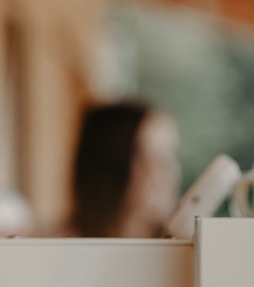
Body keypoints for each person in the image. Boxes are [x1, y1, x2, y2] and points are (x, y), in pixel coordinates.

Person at [70, 101, 181, 238]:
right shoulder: (56, 248)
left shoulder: (185, 249)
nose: (164, 171)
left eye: (168, 155)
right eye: (140, 155)